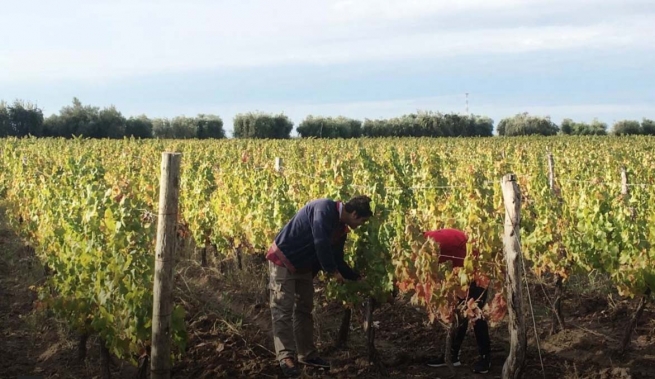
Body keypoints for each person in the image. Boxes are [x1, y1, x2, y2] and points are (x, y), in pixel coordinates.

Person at [266, 196, 373, 377]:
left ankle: (306, 354)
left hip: (304, 266)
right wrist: (332, 271)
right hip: (284, 259)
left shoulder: (341, 228)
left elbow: (337, 259)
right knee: (282, 309)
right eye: (362, 221)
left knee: (304, 309)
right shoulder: (324, 209)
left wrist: (357, 278)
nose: (361, 225)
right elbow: (320, 242)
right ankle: (285, 357)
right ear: (354, 214)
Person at [424, 228, 492, 374]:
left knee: (475, 314)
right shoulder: (427, 239)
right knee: (459, 313)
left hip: (476, 271)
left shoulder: (428, 249)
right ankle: (452, 356)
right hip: (462, 270)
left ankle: (486, 359)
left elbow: (432, 276)